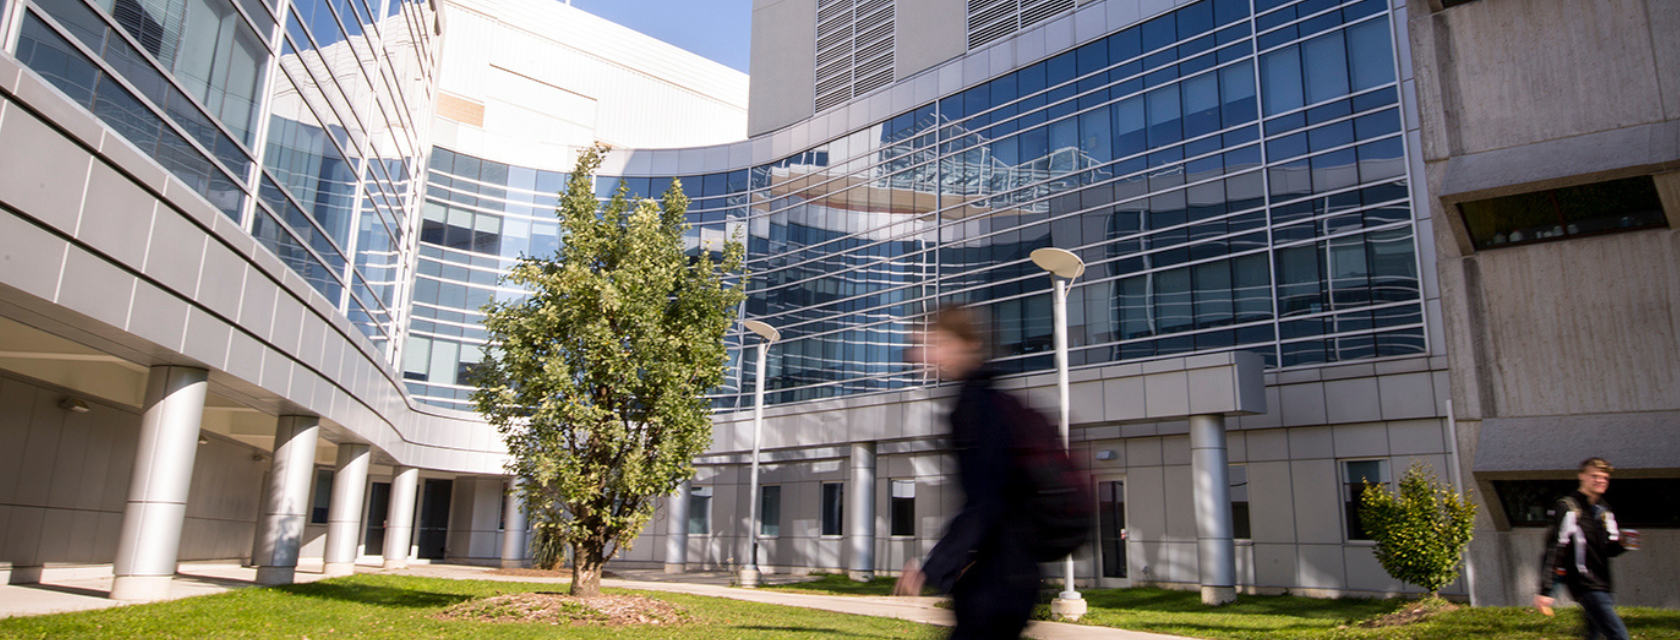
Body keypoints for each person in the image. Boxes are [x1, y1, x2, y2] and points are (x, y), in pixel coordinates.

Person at [894, 306, 1041, 640]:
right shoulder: (987, 398)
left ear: (967, 345)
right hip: (1007, 571)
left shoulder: (976, 405)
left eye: (932, 343)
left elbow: (985, 501)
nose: (918, 354)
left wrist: (932, 568)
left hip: (999, 578)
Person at [1535, 457, 1640, 640]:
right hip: (1585, 584)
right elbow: (1555, 549)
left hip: (1603, 585)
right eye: (1595, 476)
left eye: (1604, 477)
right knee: (1619, 635)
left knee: (1593, 635)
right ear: (1581, 476)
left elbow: (1609, 550)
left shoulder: (1604, 510)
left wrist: (1623, 543)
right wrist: (1545, 590)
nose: (1600, 481)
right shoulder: (1568, 507)